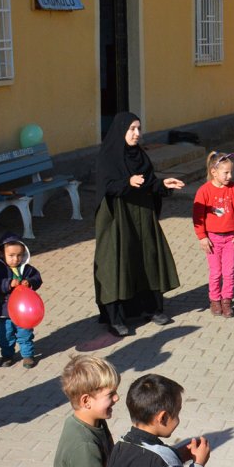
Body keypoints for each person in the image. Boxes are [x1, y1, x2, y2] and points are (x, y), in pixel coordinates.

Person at [93, 112, 184, 337]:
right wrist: (127, 182)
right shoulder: (108, 157)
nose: (137, 134)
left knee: (147, 259)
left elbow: (149, 182)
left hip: (142, 215)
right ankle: (116, 318)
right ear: (121, 131)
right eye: (132, 129)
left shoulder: (140, 155)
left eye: (139, 129)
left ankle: (150, 309)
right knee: (117, 263)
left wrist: (163, 184)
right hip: (118, 218)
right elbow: (106, 187)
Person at [192, 150, 234, 317]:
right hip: (212, 239)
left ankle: (226, 301)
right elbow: (198, 216)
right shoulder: (204, 191)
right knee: (215, 272)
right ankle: (215, 300)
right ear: (214, 172)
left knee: (229, 272)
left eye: (231, 172)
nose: (230, 176)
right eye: (226, 173)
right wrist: (202, 237)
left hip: (230, 238)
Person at [0, 234, 43, 369]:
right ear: (1, 253)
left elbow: (37, 278)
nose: (16, 259)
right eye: (11, 255)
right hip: (4, 311)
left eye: (19, 255)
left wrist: (30, 282)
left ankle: (28, 355)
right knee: (5, 335)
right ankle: (7, 355)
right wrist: (8, 284)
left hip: (24, 313)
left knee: (25, 333)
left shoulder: (26, 268)